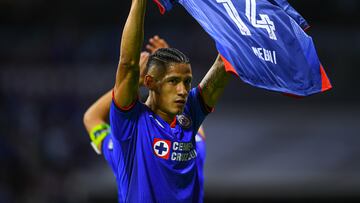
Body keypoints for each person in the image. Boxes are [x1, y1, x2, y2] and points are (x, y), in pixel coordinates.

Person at [103, 0, 230, 201]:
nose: (183, 90)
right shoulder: (131, 123)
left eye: (187, 82)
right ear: (150, 82)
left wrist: (240, 30)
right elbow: (128, 64)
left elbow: (223, 66)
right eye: (173, 81)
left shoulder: (189, 116)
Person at [83, 36, 207, 201]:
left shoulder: (123, 146)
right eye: (173, 82)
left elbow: (91, 117)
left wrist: (133, 82)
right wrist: (172, 70)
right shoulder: (192, 143)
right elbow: (192, 117)